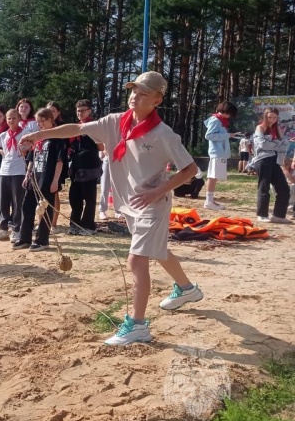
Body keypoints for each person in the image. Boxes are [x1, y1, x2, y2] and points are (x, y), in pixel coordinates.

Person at [21, 71, 204, 345]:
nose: (135, 96)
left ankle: (137, 325)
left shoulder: (164, 134)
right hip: (131, 203)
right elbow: (76, 128)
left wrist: (158, 190)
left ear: (157, 99)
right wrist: (40, 135)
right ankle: (187, 288)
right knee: (158, 250)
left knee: (136, 260)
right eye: (133, 90)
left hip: (153, 204)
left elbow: (190, 169)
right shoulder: (115, 122)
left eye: (143, 93)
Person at [13, 108, 65, 252]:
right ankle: (25, 238)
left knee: (45, 209)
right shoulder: (38, 137)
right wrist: (27, 174)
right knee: (27, 206)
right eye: (38, 121)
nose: (40, 124)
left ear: (50, 120)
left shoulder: (57, 137)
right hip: (34, 177)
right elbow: (31, 158)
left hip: (47, 178)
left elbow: (60, 161)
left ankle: (42, 240)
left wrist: (56, 180)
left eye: (43, 121)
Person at [0, 109, 30, 243]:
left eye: (14, 118)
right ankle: (3, 228)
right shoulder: (4, 135)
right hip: (5, 170)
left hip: (19, 170)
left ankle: (16, 229)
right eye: (9, 119)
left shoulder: (24, 133)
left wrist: (25, 149)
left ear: (18, 119)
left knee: (17, 201)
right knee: (4, 201)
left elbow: (31, 146)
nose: (11, 121)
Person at [250, 107, 292, 223]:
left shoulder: (278, 129)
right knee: (264, 187)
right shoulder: (260, 127)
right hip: (263, 160)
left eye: (274, 117)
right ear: (265, 116)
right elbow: (262, 144)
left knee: (284, 188)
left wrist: (274, 144)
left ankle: (278, 215)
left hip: (276, 161)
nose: (272, 120)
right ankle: (262, 214)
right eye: (269, 117)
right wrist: (278, 144)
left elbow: (285, 145)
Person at [68, 99, 103, 235]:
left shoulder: (94, 126)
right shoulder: (75, 127)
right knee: (74, 197)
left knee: (89, 198)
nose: (80, 113)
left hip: (90, 166)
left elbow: (101, 147)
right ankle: (75, 224)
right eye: (78, 111)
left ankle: (88, 225)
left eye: (83, 110)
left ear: (89, 111)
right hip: (76, 167)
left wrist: (92, 136)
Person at [203, 101, 241, 211]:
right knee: (213, 176)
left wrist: (230, 135)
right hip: (217, 152)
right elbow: (209, 135)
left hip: (219, 152)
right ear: (225, 111)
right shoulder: (216, 120)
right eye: (229, 114)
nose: (229, 116)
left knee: (213, 176)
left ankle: (210, 199)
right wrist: (227, 135)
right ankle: (209, 201)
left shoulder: (220, 121)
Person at [46, 101, 67, 232]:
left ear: (58, 112)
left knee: (54, 194)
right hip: (44, 164)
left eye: (53, 111)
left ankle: (53, 223)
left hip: (58, 162)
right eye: (48, 110)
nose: (51, 113)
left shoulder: (62, 127)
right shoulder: (42, 126)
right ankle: (44, 221)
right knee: (43, 194)